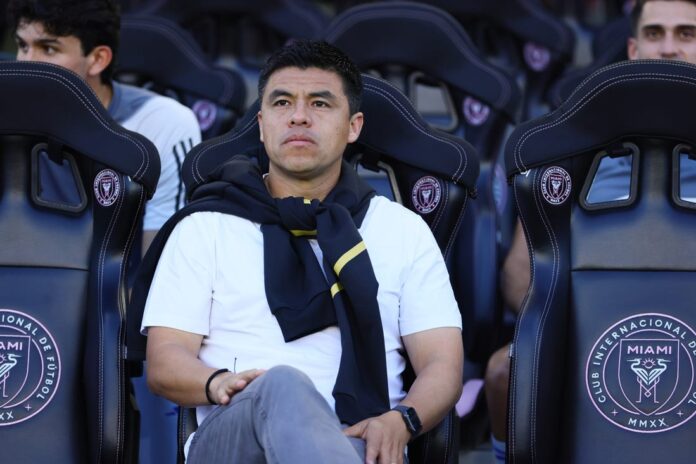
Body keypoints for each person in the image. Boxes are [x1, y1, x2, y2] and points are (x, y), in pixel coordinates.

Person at [136, 40, 464, 464]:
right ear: (261, 124)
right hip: (234, 438)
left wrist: (401, 420)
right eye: (282, 102)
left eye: (320, 104)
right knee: (282, 385)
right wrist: (218, 382)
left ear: (353, 126)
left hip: (357, 444)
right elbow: (165, 360)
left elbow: (442, 364)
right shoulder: (205, 227)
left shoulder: (402, 230)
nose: (298, 116)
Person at [484, 1, 696, 462]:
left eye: (687, 34)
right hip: (590, 323)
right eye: (655, 34)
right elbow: (521, 273)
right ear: (633, 49)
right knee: (504, 372)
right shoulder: (576, 150)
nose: (669, 48)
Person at [7, 0, 202, 252]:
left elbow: (158, 259)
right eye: (22, 46)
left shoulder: (161, 122)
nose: (27, 62)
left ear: (98, 59)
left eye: (48, 48)